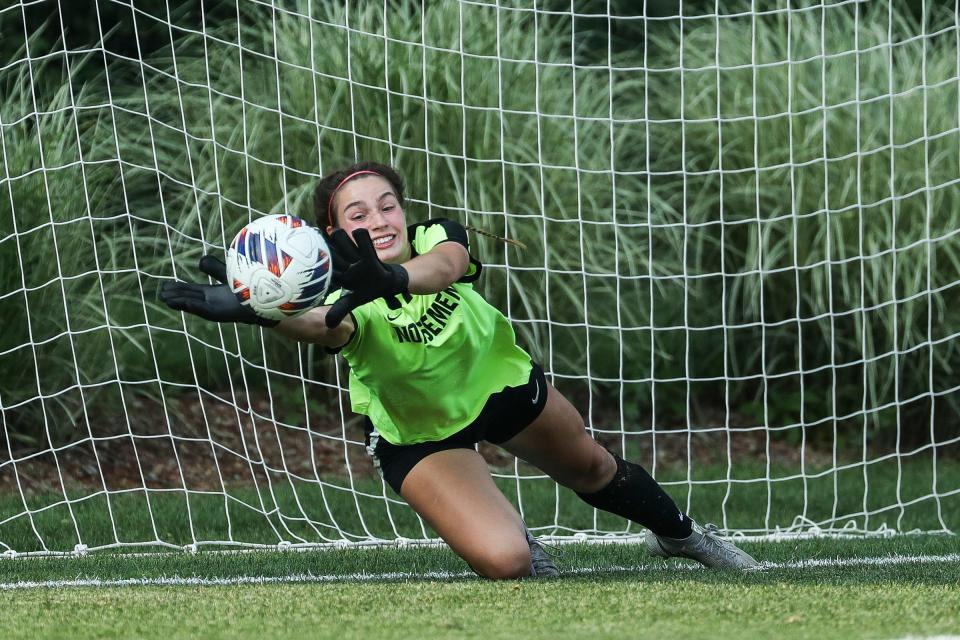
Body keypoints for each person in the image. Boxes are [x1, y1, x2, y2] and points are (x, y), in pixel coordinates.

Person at [159, 160, 759, 578]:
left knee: (594, 468)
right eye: (359, 213)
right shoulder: (327, 292)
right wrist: (260, 312)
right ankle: (510, 527)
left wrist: (390, 277)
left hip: (496, 386)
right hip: (419, 430)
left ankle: (681, 536)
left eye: (388, 204)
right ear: (332, 233)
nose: (380, 219)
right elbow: (322, 327)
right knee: (506, 562)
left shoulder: (434, 237)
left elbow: (446, 267)